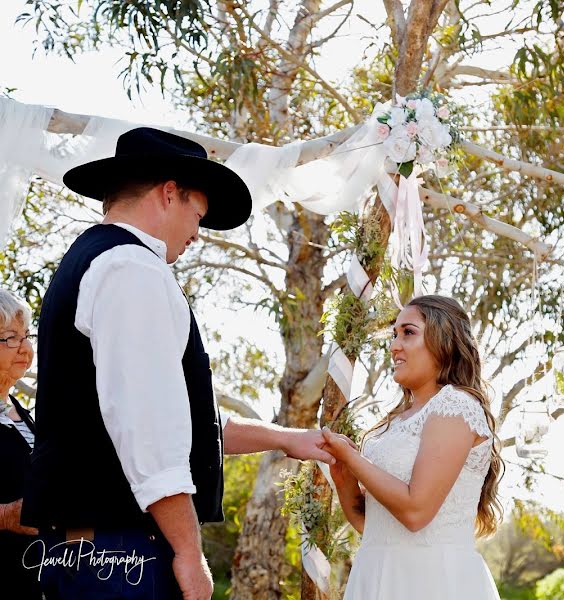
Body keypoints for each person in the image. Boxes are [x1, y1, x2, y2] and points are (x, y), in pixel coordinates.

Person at [21, 127, 335, 599]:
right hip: (122, 554)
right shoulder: (130, 267)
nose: (196, 233)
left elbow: (176, 419)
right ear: (170, 193)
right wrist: (188, 551)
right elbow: (147, 423)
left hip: (95, 551)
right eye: (198, 214)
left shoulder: (98, 260)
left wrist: (284, 438)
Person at [321, 294, 504, 600]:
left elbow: (416, 513)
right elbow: (374, 527)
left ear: (443, 340)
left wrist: (353, 459)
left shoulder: (455, 406)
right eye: (394, 334)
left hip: (431, 582)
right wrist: (344, 479)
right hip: (377, 576)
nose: (394, 345)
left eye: (408, 332)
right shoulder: (392, 422)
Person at [0, 289, 41, 597]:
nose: (25, 347)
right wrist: (8, 515)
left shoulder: (21, 412)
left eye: (27, 335)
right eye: (11, 337)